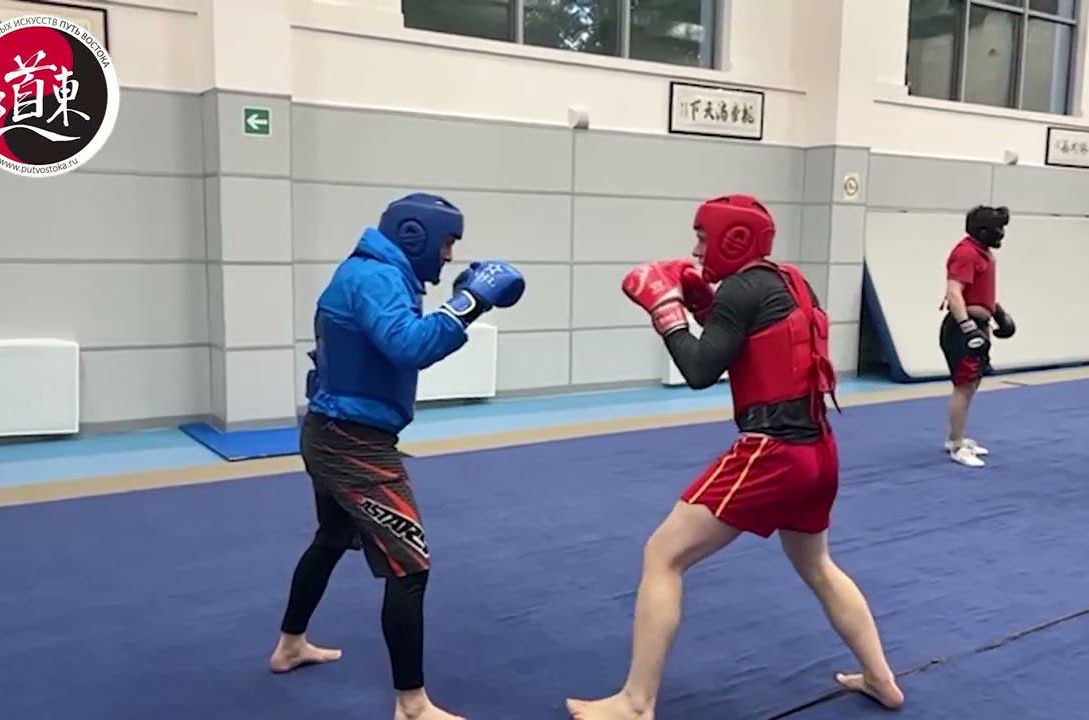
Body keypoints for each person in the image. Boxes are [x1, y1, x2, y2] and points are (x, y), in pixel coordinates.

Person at [565, 194, 904, 720]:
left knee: (663, 555)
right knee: (817, 565)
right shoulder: (792, 281)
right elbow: (758, 345)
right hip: (819, 449)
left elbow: (700, 369)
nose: (696, 249)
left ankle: (635, 703)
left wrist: (668, 312)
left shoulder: (740, 291)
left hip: (772, 452)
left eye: (703, 237)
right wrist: (705, 306)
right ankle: (882, 679)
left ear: (734, 239)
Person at [269, 193, 525, 720]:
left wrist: (461, 303)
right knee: (409, 567)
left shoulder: (375, 272)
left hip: (333, 430)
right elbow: (409, 346)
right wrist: (469, 303)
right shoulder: (376, 278)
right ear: (416, 235)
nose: (449, 254)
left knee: (332, 537)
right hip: (354, 444)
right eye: (447, 242)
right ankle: (412, 705)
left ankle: (290, 645)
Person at [938, 205, 1016, 468]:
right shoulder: (966, 253)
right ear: (983, 230)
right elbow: (954, 293)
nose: (1002, 233)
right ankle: (956, 444)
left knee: (972, 384)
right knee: (963, 386)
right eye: (998, 228)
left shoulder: (983, 253)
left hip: (979, 324)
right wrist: (967, 326)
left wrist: (999, 314)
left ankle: (956, 436)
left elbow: (982, 291)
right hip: (962, 328)